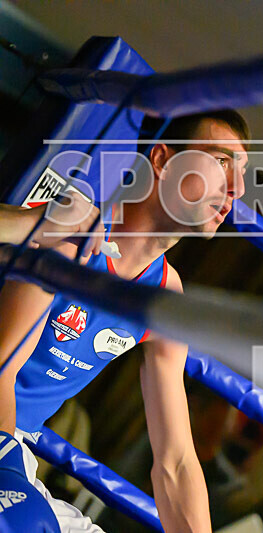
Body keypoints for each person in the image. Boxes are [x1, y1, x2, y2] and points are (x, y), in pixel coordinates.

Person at [0, 109, 249, 532]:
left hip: (12, 453)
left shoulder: (165, 295)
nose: (235, 188)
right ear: (162, 160)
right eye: (220, 162)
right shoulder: (73, 232)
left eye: (242, 171)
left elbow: (176, 462)